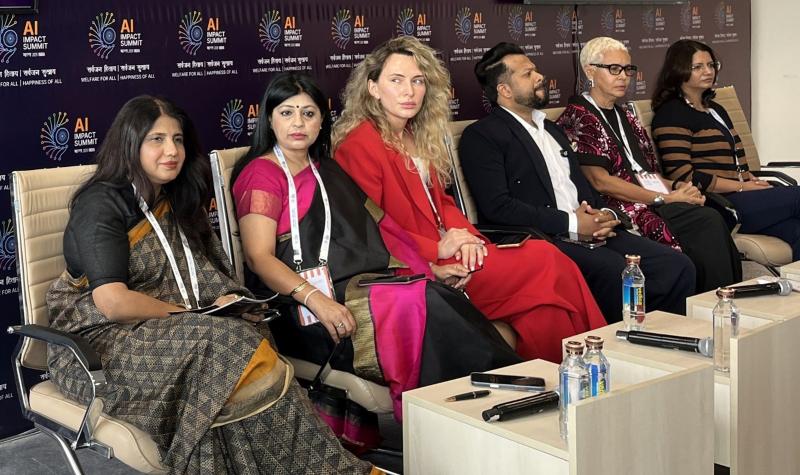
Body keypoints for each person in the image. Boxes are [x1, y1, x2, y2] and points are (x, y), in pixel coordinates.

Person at [46, 95, 381, 474]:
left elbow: (205, 274)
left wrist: (227, 302)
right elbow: (113, 302)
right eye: (157, 139)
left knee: (245, 333)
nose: (171, 151)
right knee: (225, 346)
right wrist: (191, 314)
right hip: (100, 344)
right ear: (129, 143)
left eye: (177, 139)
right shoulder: (101, 203)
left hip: (172, 329)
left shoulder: (174, 197)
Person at [231, 72, 520, 423]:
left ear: (321, 121)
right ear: (269, 119)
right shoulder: (262, 174)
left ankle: (483, 407)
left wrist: (431, 268)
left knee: (434, 294)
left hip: (355, 286)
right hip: (302, 306)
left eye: (308, 113)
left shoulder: (326, 170)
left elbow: (378, 232)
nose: (298, 123)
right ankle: (467, 412)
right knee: (421, 303)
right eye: (287, 113)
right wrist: (316, 299)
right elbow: (258, 258)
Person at [332, 35, 606, 363]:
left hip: (457, 253)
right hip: (416, 268)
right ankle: (599, 357)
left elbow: (444, 203)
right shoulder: (359, 145)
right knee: (547, 259)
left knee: (545, 311)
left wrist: (468, 239)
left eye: (417, 81)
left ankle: (563, 379)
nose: (409, 91)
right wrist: (436, 252)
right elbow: (371, 230)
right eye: (397, 80)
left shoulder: (414, 135)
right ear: (373, 88)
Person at [459, 41, 695, 322]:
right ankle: (621, 343)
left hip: (590, 230)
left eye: (536, 70)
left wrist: (606, 215)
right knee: (613, 270)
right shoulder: (482, 136)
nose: (539, 77)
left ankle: (662, 339)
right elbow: (498, 207)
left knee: (675, 265)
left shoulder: (552, 130)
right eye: (528, 74)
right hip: (546, 237)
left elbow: (583, 187)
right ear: (505, 90)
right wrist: (573, 223)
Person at [557, 37, 741, 291]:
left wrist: (677, 188)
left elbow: (644, 173)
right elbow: (600, 181)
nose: (623, 77)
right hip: (618, 206)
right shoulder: (579, 116)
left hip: (649, 197)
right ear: (590, 71)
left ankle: (722, 295)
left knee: (710, 212)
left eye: (627, 69)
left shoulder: (625, 115)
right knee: (704, 221)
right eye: (614, 69)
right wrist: (664, 198)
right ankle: (714, 298)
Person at [651, 39, 800, 260]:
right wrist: (743, 186)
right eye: (698, 67)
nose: (708, 71)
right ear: (678, 71)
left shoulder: (715, 108)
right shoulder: (671, 114)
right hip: (716, 205)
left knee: (796, 230)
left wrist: (748, 178)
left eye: (711, 65)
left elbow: (730, 160)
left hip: (742, 197)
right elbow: (683, 177)